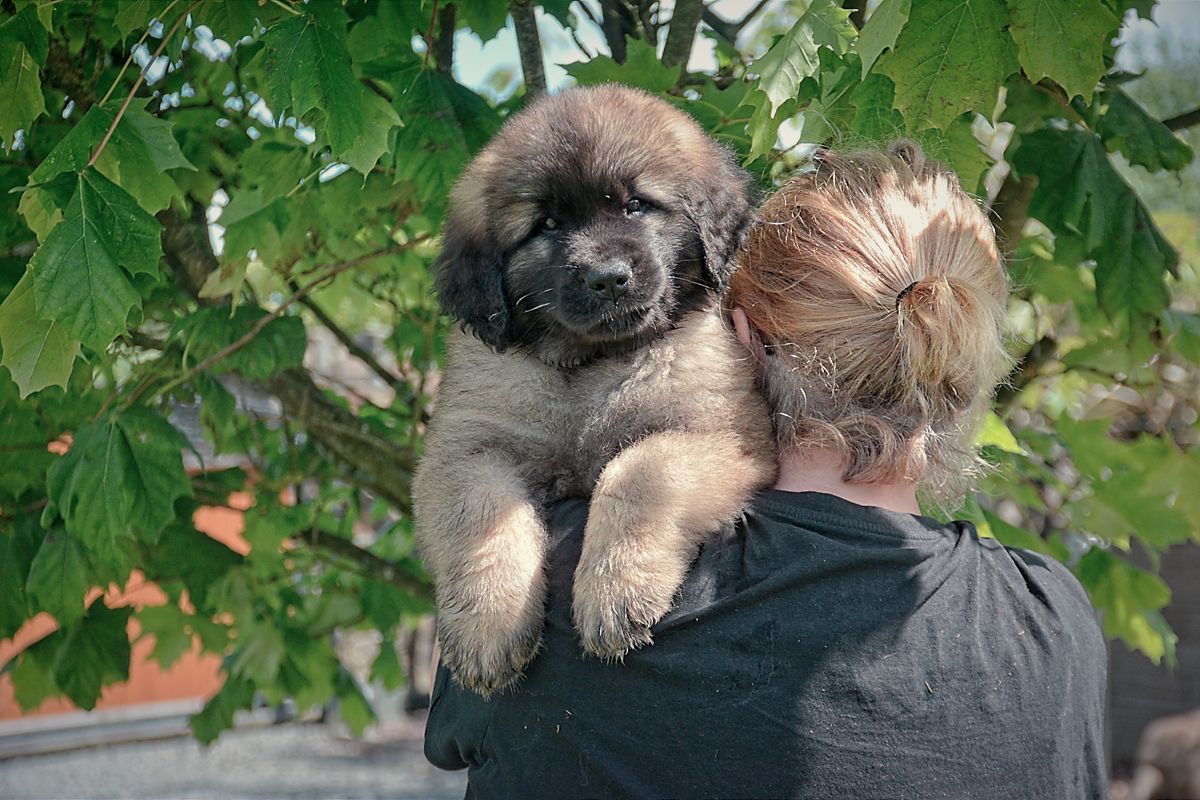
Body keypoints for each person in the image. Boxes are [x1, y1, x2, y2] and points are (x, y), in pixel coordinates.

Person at [423, 142, 1108, 799]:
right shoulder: (1054, 619)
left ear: (745, 338)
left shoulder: (550, 574)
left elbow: (461, 737)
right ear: (965, 369)